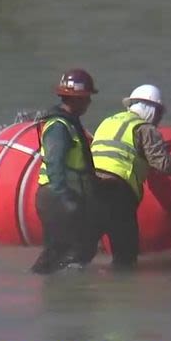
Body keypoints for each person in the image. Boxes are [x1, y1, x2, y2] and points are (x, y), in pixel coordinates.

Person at [90, 84, 171, 269]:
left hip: (90, 187)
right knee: (126, 256)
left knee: (83, 248)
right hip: (118, 191)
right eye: (159, 113)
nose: (159, 120)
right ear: (151, 109)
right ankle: (121, 293)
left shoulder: (108, 122)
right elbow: (162, 164)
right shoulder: (145, 129)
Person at [30, 69, 99, 274]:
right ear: (75, 99)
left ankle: (63, 294)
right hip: (56, 196)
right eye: (86, 98)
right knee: (61, 251)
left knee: (78, 249)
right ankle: (51, 289)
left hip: (63, 195)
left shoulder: (69, 124)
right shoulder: (59, 127)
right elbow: (55, 163)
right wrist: (65, 199)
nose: (89, 103)